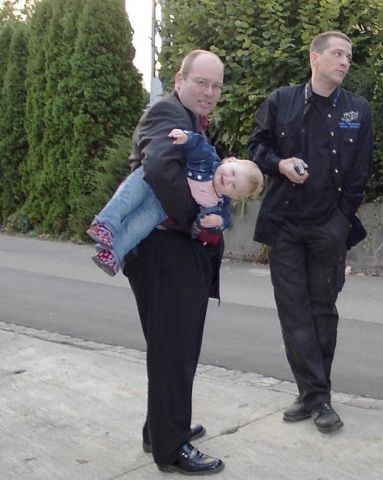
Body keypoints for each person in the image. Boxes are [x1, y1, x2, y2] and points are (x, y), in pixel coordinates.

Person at [248, 31, 373, 434]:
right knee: (294, 312)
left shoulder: (357, 109)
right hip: (285, 224)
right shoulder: (280, 101)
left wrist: (341, 221)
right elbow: (256, 148)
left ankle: (312, 393)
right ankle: (318, 398)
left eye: (348, 56)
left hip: (329, 226)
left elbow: (360, 171)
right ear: (314, 58)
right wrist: (280, 164)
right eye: (337, 54)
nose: (345, 61)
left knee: (323, 311)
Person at [119, 49, 230, 475]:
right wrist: (195, 222)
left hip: (167, 251)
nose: (209, 92)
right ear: (180, 80)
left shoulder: (187, 119)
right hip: (167, 250)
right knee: (175, 351)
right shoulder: (167, 113)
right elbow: (160, 169)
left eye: (216, 86)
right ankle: (171, 448)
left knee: (169, 347)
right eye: (202, 82)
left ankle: (160, 430)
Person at [87, 127, 263, 276]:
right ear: (230, 160)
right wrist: (186, 137)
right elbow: (197, 144)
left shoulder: (218, 204)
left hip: (163, 206)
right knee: (126, 199)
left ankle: (112, 255)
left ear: (235, 196)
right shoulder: (208, 159)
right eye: (232, 172)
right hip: (155, 179)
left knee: (137, 227)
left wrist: (216, 222)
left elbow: (223, 222)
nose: (228, 179)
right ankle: (105, 224)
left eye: (234, 186)